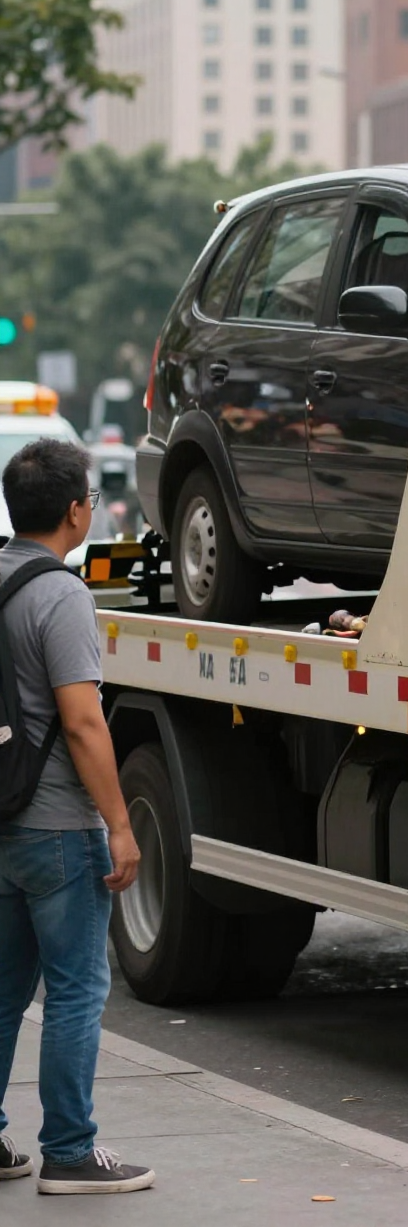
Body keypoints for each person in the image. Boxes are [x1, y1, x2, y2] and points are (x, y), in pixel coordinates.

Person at [0, 440, 154, 1195]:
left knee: (1, 990)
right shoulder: (60, 594)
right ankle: (67, 1148)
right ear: (74, 510)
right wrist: (119, 825)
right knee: (75, 990)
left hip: (0, 815)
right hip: (57, 825)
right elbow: (85, 723)